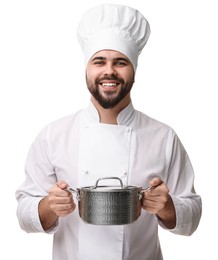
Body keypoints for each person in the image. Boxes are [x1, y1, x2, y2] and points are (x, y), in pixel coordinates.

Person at [15, 3, 202, 260]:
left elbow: (193, 217)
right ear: (87, 69)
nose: (109, 71)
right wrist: (48, 206)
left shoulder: (164, 137)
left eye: (120, 62)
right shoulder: (53, 135)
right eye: (99, 61)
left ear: (133, 70)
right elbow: (24, 214)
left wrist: (167, 207)